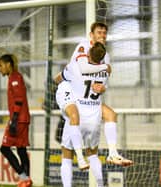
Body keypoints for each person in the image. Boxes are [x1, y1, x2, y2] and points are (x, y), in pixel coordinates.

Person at [59, 22, 133, 166]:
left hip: (89, 99)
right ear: (91, 35)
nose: (103, 35)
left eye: (104, 33)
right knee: (69, 148)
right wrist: (105, 67)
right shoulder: (83, 46)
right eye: (99, 32)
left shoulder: (106, 55)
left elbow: (104, 80)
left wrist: (102, 87)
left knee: (111, 115)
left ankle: (112, 154)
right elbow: (83, 68)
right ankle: (80, 158)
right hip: (74, 97)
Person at [55, 42, 109, 187]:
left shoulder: (77, 67)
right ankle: (100, 184)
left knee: (66, 154)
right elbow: (102, 88)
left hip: (77, 118)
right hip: (94, 120)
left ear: (89, 54)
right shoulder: (105, 72)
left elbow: (57, 79)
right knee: (93, 154)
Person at [0, 54, 32, 187]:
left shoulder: (15, 78)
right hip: (22, 119)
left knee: (4, 149)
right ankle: (27, 181)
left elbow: (19, 99)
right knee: (21, 150)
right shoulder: (15, 77)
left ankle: (23, 177)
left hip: (19, 120)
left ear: (8, 65)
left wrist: (14, 119)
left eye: (0, 65)